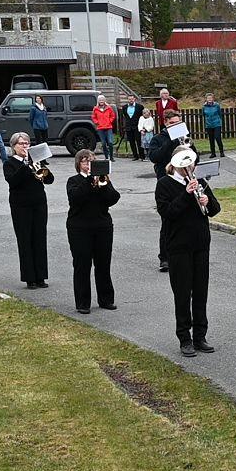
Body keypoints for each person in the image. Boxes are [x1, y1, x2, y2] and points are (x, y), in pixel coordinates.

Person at [155, 154, 221, 358]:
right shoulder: (164, 184)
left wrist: (207, 201)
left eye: (191, 163)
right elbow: (168, 213)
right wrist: (186, 194)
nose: (190, 167)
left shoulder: (199, 181)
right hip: (178, 246)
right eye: (185, 164)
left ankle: (200, 336)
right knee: (183, 293)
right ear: (175, 164)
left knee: (201, 292)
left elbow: (215, 210)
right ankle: (184, 338)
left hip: (200, 244)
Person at [66, 150, 120, 314]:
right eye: (85, 162)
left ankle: (106, 299)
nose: (89, 165)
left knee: (103, 264)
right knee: (82, 265)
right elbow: (76, 198)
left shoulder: (103, 180)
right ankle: (83, 303)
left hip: (102, 226)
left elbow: (114, 198)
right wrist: (90, 180)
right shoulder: (73, 181)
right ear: (79, 165)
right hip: (79, 228)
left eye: (92, 161)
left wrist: (102, 184)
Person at [150, 110, 199, 272]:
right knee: (168, 221)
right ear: (165, 123)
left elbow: (195, 158)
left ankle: (187, 252)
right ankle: (164, 257)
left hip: (185, 180)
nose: (175, 126)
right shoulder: (158, 139)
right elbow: (154, 157)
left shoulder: (184, 138)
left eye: (178, 124)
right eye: (172, 124)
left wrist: (188, 146)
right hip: (166, 183)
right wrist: (170, 142)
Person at [3, 132, 52, 289]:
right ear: (14, 146)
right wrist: (26, 165)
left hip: (39, 203)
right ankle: (29, 278)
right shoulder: (9, 163)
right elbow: (13, 181)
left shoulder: (36, 160)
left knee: (39, 239)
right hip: (21, 206)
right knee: (25, 240)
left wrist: (39, 165)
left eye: (27, 143)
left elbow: (49, 180)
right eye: (21, 144)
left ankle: (41, 277)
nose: (25, 146)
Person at [92, 95, 117, 161]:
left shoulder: (109, 108)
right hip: (100, 128)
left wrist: (110, 121)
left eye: (102, 100)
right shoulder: (95, 108)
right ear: (98, 101)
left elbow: (113, 116)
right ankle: (106, 157)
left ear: (105, 100)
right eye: (100, 100)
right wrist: (97, 122)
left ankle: (111, 157)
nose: (101, 101)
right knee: (103, 143)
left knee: (110, 142)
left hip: (108, 127)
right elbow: (93, 117)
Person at [120, 95, 144, 161]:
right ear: (128, 100)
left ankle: (142, 156)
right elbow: (125, 116)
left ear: (134, 99)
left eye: (132, 99)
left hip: (137, 126)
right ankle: (135, 156)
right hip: (128, 127)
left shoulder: (139, 107)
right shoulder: (124, 107)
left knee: (139, 141)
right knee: (131, 142)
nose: (131, 100)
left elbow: (142, 117)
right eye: (129, 99)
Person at [202, 93, 225, 158]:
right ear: (206, 99)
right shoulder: (204, 106)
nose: (209, 99)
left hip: (217, 124)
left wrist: (219, 121)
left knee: (218, 138)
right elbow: (203, 114)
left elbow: (220, 114)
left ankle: (221, 152)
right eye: (208, 98)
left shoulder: (217, 105)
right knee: (211, 139)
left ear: (213, 99)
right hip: (209, 125)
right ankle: (213, 153)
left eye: (211, 98)